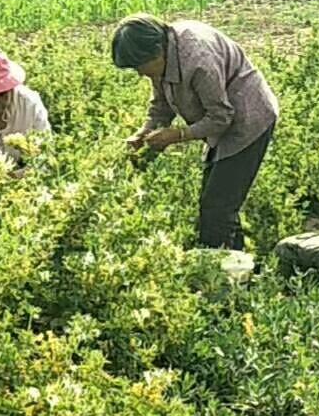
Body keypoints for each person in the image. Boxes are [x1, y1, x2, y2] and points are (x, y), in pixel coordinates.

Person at [110, 14, 278, 252]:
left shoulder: (198, 60)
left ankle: (221, 274)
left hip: (248, 119)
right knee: (217, 203)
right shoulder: (162, 57)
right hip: (222, 120)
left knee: (217, 207)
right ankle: (237, 266)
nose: (139, 73)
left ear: (157, 52)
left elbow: (221, 117)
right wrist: (145, 131)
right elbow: (161, 106)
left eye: (140, 67)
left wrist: (177, 135)